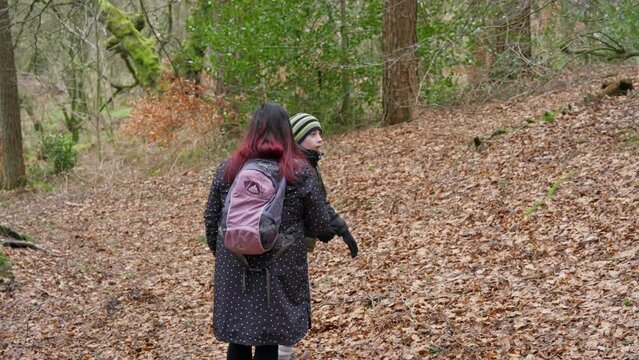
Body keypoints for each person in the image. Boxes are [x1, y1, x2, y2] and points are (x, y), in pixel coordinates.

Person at [204, 103, 333, 360]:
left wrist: (228, 251)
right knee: (269, 341)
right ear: (287, 132)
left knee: (238, 340)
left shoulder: (227, 169)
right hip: (279, 266)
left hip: (234, 266)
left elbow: (211, 219)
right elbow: (320, 225)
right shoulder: (300, 172)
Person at [278, 113, 359, 360]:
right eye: (312, 134)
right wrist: (324, 229)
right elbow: (310, 210)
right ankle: (283, 354)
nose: (320, 139)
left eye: (320, 133)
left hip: (290, 246)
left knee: (288, 301)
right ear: (297, 139)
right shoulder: (294, 168)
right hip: (282, 248)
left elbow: (319, 203)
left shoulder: (307, 164)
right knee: (286, 302)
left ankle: (283, 352)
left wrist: (341, 228)